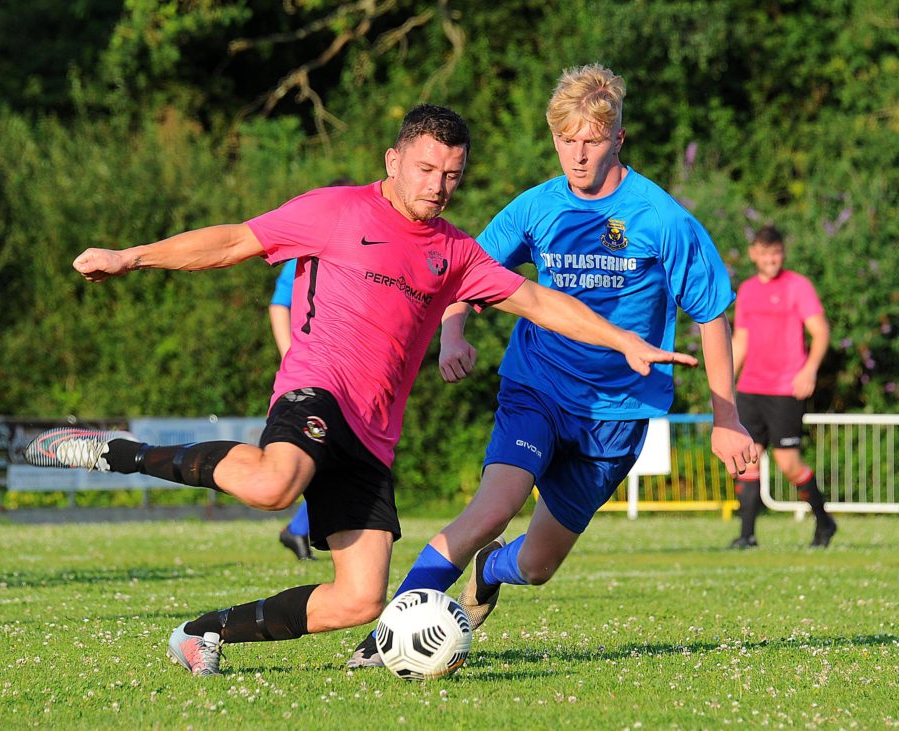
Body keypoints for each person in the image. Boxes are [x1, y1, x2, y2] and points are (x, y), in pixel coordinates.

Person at [23, 103, 698, 677]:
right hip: (317, 390)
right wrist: (130, 256)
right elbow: (233, 239)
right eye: (428, 169)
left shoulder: (455, 251)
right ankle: (119, 453)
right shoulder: (335, 211)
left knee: (360, 599)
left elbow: (536, 300)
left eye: (452, 175)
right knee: (271, 485)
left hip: (373, 435)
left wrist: (624, 340)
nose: (438, 186)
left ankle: (203, 632)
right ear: (394, 159)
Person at [347, 65, 757, 668]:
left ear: (618, 138)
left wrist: (727, 418)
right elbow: (462, 272)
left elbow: (712, 313)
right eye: (566, 140)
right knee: (492, 509)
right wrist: (452, 331)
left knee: (536, 566)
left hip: (617, 415)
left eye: (592, 140)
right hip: (536, 386)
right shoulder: (537, 208)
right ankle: (384, 641)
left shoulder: (663, 219)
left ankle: (491, 570)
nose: (578, 153)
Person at [729, 224, 835, 548]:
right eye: (765, 253)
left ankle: (825, 522)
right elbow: (740, 341)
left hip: (785, 389)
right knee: (747, 459)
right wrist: (723, 386)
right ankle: (747, 536)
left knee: (788, 464)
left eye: (776, 253)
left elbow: (820, 331)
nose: (771, 260)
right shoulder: (746, 290)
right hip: (750, 388)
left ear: (782, 253)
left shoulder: (797, 286)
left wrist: (809, 371)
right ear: (753, 254)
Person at [270, 178, 355, 561]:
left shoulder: (364, 250)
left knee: (341, 455)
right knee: (315, 452)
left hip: (351, 373)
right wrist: (294, 356)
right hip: (314, 374)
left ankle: (300, 529)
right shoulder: (311, 248)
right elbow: (278, 305)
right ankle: (300, 528)